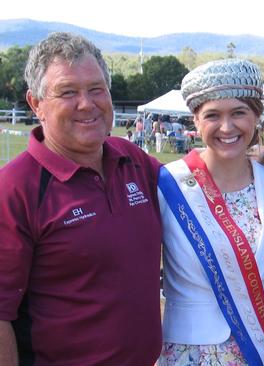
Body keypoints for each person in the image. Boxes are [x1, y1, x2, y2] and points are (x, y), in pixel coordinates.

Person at [0, 32, 162, 365]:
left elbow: (204, 186)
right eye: (68, 92)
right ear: (36, 104)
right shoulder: (15, 188)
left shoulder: (132, 159)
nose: (86, 103)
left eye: (96, 89)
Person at [157, 59, 264, 366]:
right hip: (187, 353)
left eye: (239, 113)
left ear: (257, 115)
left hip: (258, 350)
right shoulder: (167, 186)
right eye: (213, 115)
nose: (227, 127)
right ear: (195, 120)